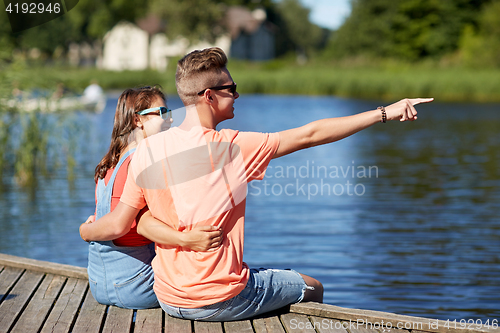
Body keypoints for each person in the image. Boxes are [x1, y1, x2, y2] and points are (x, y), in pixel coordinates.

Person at [80, 47, 433, 320]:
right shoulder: (231, 147)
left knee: (260, 271)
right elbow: (310, 134)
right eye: (231, 88)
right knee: (312, 286)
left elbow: (136, 219)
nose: (237, 94)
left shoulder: (148, 150)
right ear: (209, 96)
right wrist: (385, 112)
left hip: (170, 297)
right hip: (219, 298)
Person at [82, 86, 222, 309]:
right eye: (162, 112)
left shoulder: (109, 163)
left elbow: (113, 215)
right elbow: (120, 225)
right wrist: (85, 231)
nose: (170, 119)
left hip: (99, 283)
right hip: (136, 284)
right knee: (211, 286)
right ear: (138, 120)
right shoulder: (145, 158)